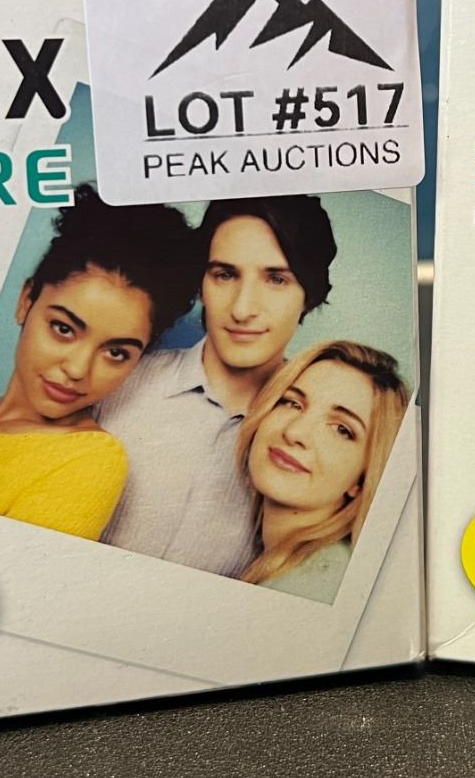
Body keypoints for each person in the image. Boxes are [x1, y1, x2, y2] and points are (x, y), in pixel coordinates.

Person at [0, 186, 199, 541]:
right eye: (64, 329)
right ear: (26, 301)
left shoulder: (89, 460)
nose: (77, 369)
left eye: (116, 352)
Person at [99, 195, 338, 577]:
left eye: (276, 279)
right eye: (225, 275)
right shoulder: (118, 379)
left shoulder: (310, 443)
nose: (242, 309)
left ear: (308, 294)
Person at [235, 341, 411, 602]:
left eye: (341, 429)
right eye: (292, 403)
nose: (295, 432)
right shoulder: (284, 565)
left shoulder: (312, 587)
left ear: (363, 478)